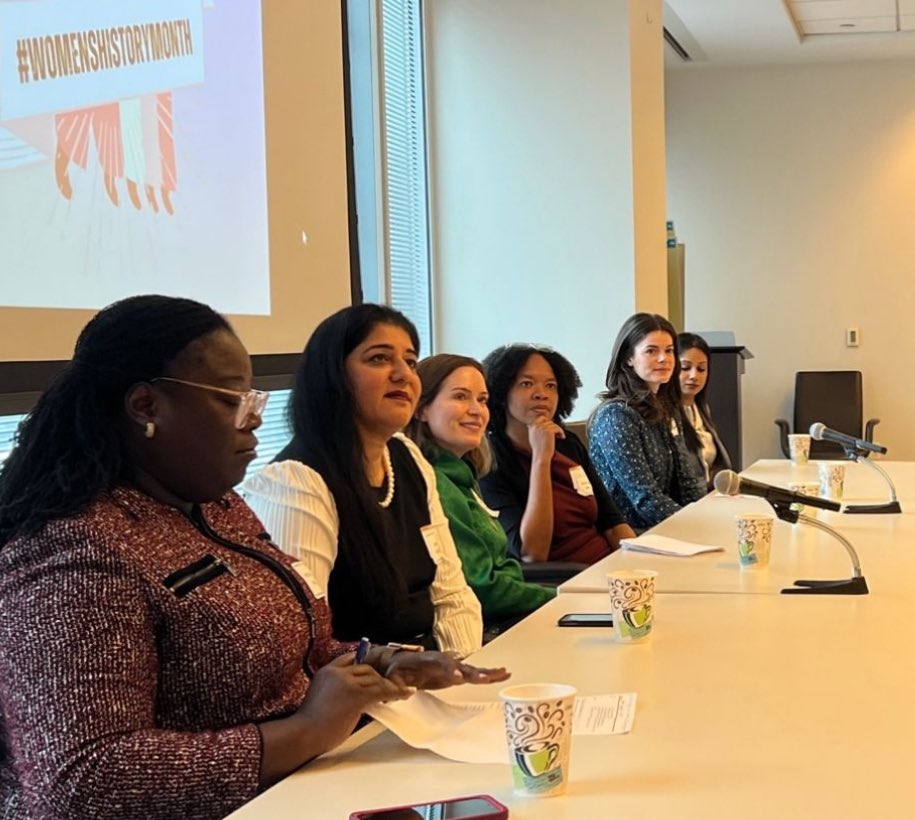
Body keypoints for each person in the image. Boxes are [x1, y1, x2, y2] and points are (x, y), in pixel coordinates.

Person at [0, 295, 507, 820]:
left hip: (309, 786)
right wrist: (301, 732)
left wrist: (376, 659)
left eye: (254, 399)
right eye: (231, 400)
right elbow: (83, 781)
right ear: (145, 407)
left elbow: (288, 644)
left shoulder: (216, 507)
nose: (253, 423)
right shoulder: (75, 554)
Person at [244, 305, 483, 657]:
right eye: (378, 359)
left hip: (429, 677)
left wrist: (459, 672)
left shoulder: (407, 457)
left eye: (411, 361)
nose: (403, 375)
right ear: (333, 376)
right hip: (357, 693)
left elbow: (450, 593)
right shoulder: (295, 482)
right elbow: (305, 641)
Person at [406, 354, 555, 631]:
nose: (476, 410)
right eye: (461, 397)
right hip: (485, 630)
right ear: (421, 409)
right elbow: (482, 588)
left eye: (482, 400)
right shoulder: (434, 483)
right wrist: (562, 599)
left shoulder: (462, 474)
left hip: (508, 614)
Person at [478, 344, 635, 564]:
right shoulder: (491, 460)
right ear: (502, 393)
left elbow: (611, 522)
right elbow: (531, 553)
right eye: (526, 384)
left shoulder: (568, 443)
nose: (541, 394)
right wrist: (541, 459)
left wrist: (638, 564)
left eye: (551, 385)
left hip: (605, 566)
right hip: (561, 581)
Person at [589, 313, 708, 531]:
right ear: (629, 359)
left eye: (669, 351)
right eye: (651, 351)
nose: (664, 359)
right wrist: (695, 527)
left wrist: (706, 515)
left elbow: (687, 481)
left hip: (663, 526)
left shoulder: (666, 408)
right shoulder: (616, 416)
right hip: (631, 534)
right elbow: (644, 498)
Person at [677, 332, 732, 484]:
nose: (694, 375)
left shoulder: (701, 409)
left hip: (711, 495)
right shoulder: (665, 415)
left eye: (701, 369)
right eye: (685, 367)